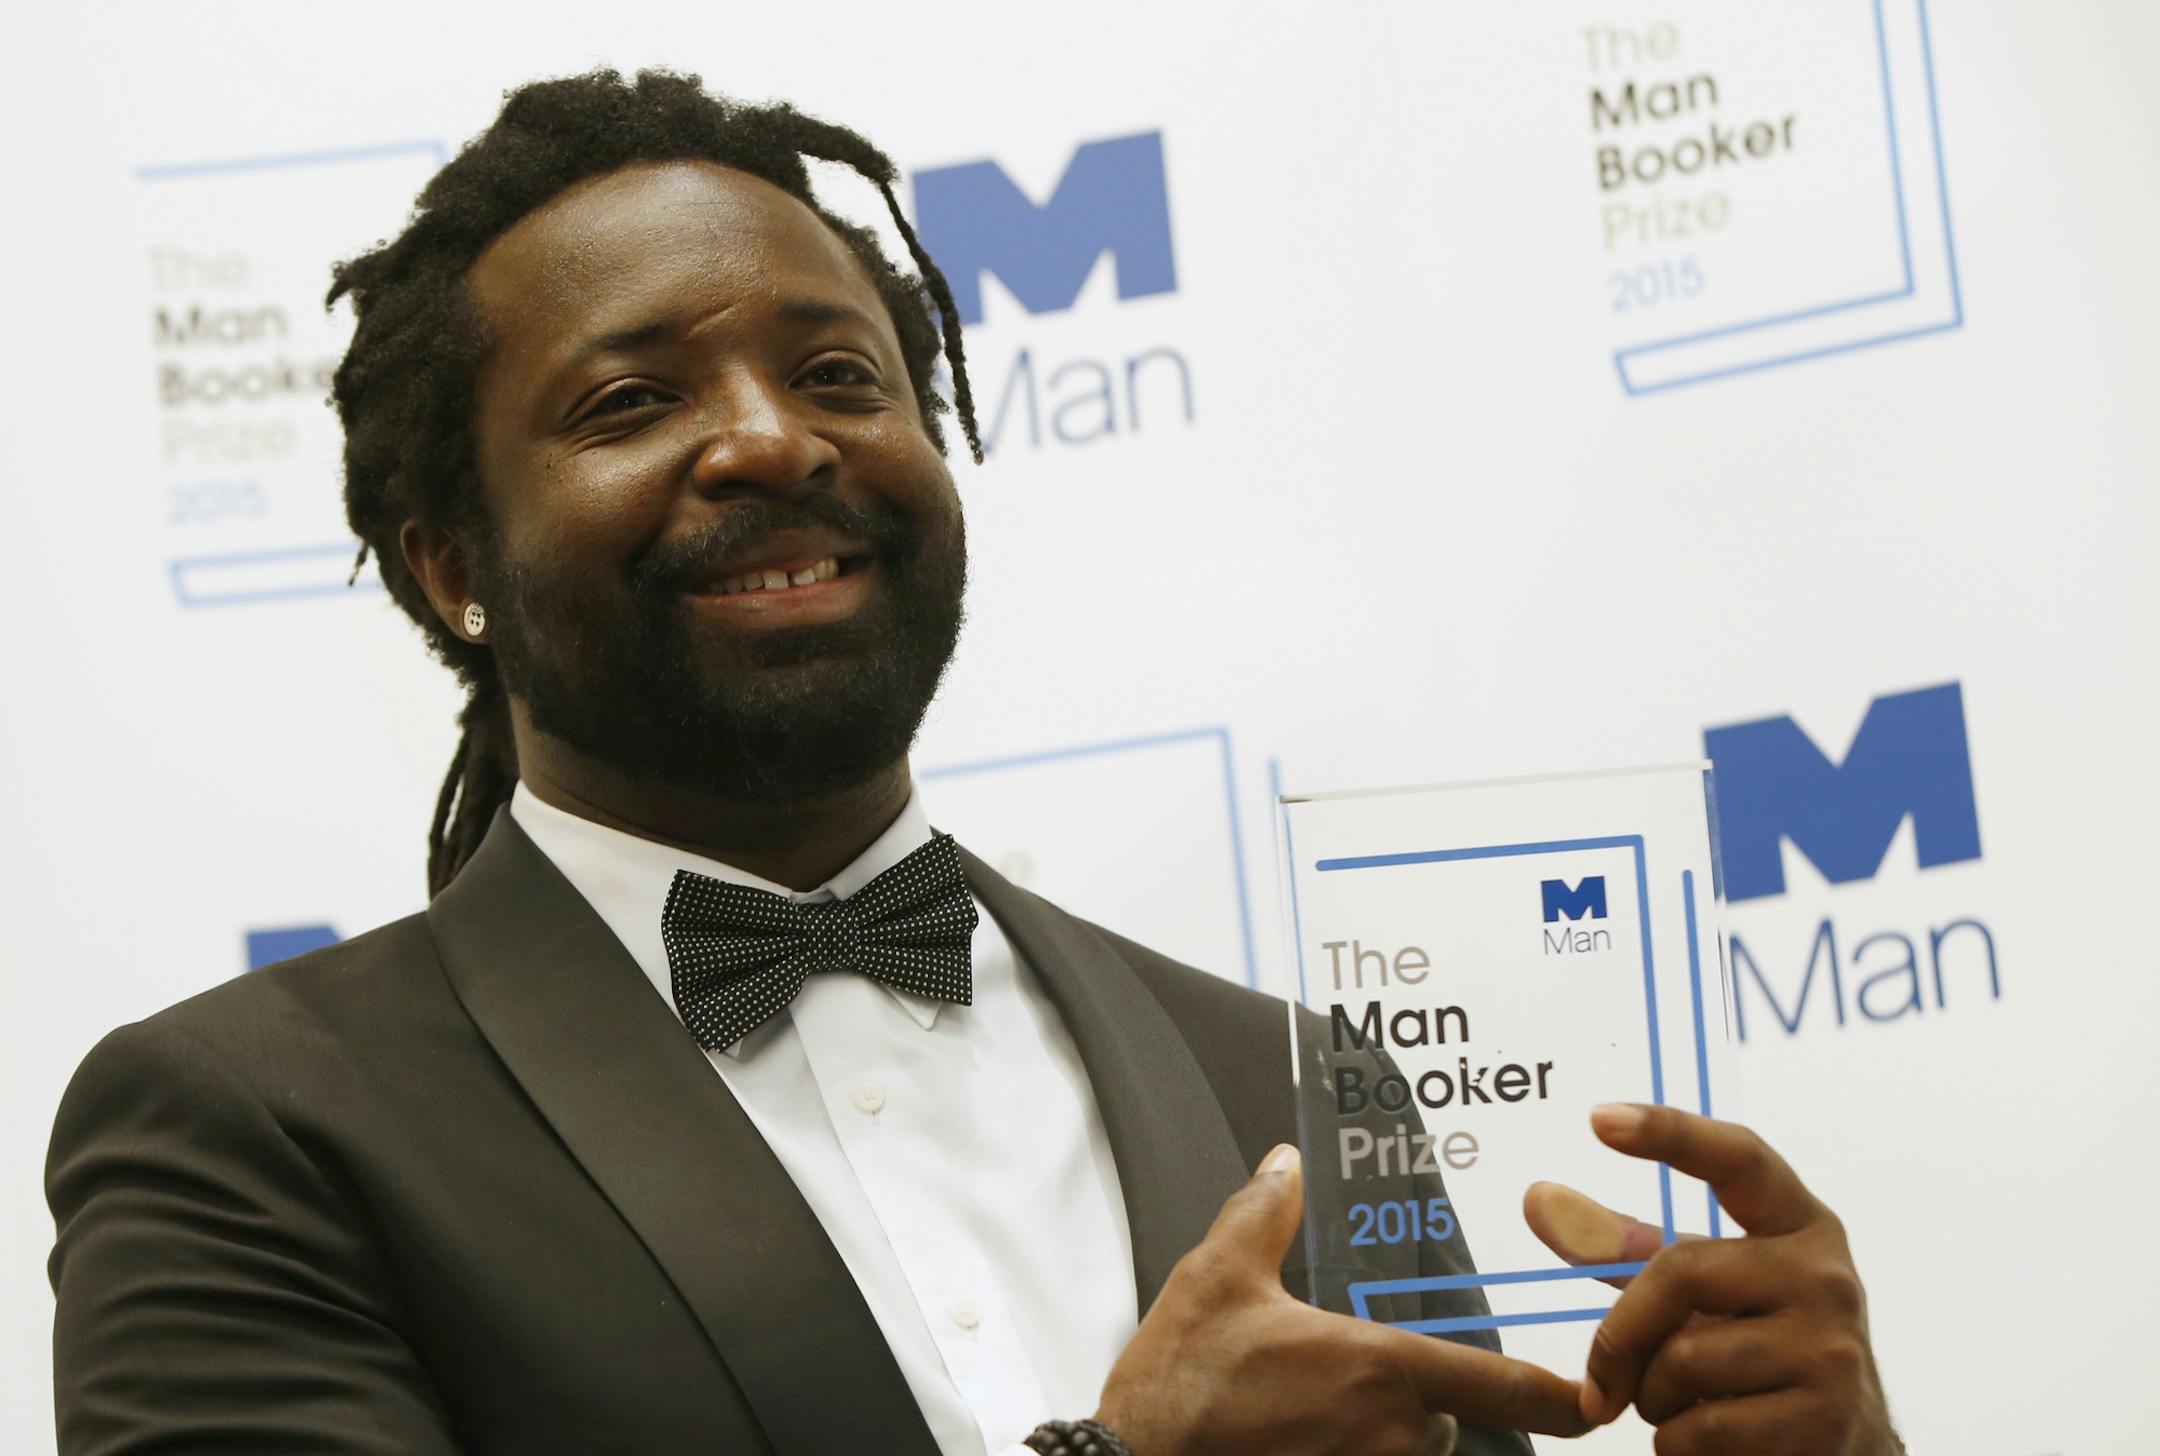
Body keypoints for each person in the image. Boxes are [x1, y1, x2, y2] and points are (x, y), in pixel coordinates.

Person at [46, 69, 1904, 1456]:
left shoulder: (1291, 1077)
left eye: (843, 374)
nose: (772, 443)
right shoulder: (256, 1129)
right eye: (633, 402)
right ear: (453, 569)